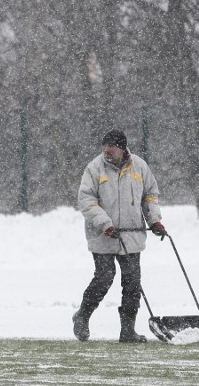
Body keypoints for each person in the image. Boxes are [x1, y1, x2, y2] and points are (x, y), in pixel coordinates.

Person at [74, 129, 167, 343]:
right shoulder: (94, 169)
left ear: (122, 148)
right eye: (104, 147)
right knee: (104, 277)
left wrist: (155, 220)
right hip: (102, 236)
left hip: (131, 236)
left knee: (132, 283)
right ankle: (82, 316)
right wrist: (105, 224)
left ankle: (128, 331)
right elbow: (86, 201)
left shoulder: (140, 167)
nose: (107, 151)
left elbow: (150, 195)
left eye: (111, 147)